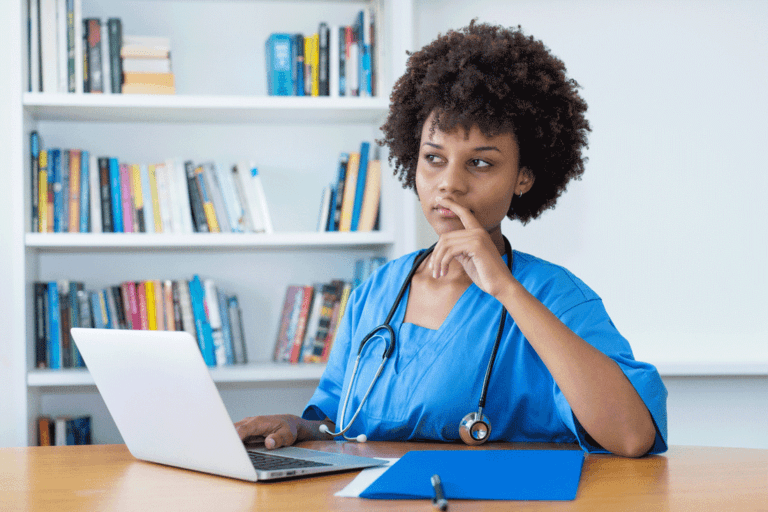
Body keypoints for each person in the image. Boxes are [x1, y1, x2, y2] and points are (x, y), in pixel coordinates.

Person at [236, 21, 668, 457]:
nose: (449, 184)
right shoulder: (377, 292)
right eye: (434, 159)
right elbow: (340, 424)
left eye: (480, 163)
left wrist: (505, 288)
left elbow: (632, 437)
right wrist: (301, 427)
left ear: (524, 177)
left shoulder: (555, 296)